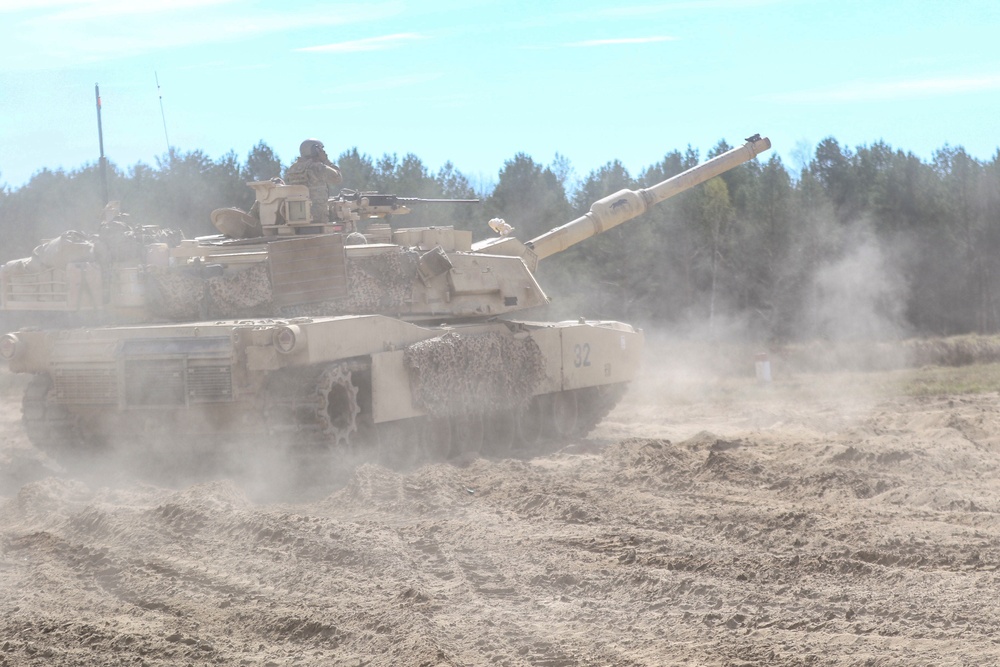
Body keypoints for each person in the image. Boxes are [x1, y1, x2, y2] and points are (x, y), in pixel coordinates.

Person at [283, 139, 343, 224]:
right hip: (318, 215)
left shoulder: (292, 169)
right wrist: (326, 160)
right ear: (315, 150)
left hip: (295, 216)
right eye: (320, 149)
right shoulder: (317, 167)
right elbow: (338, 178)